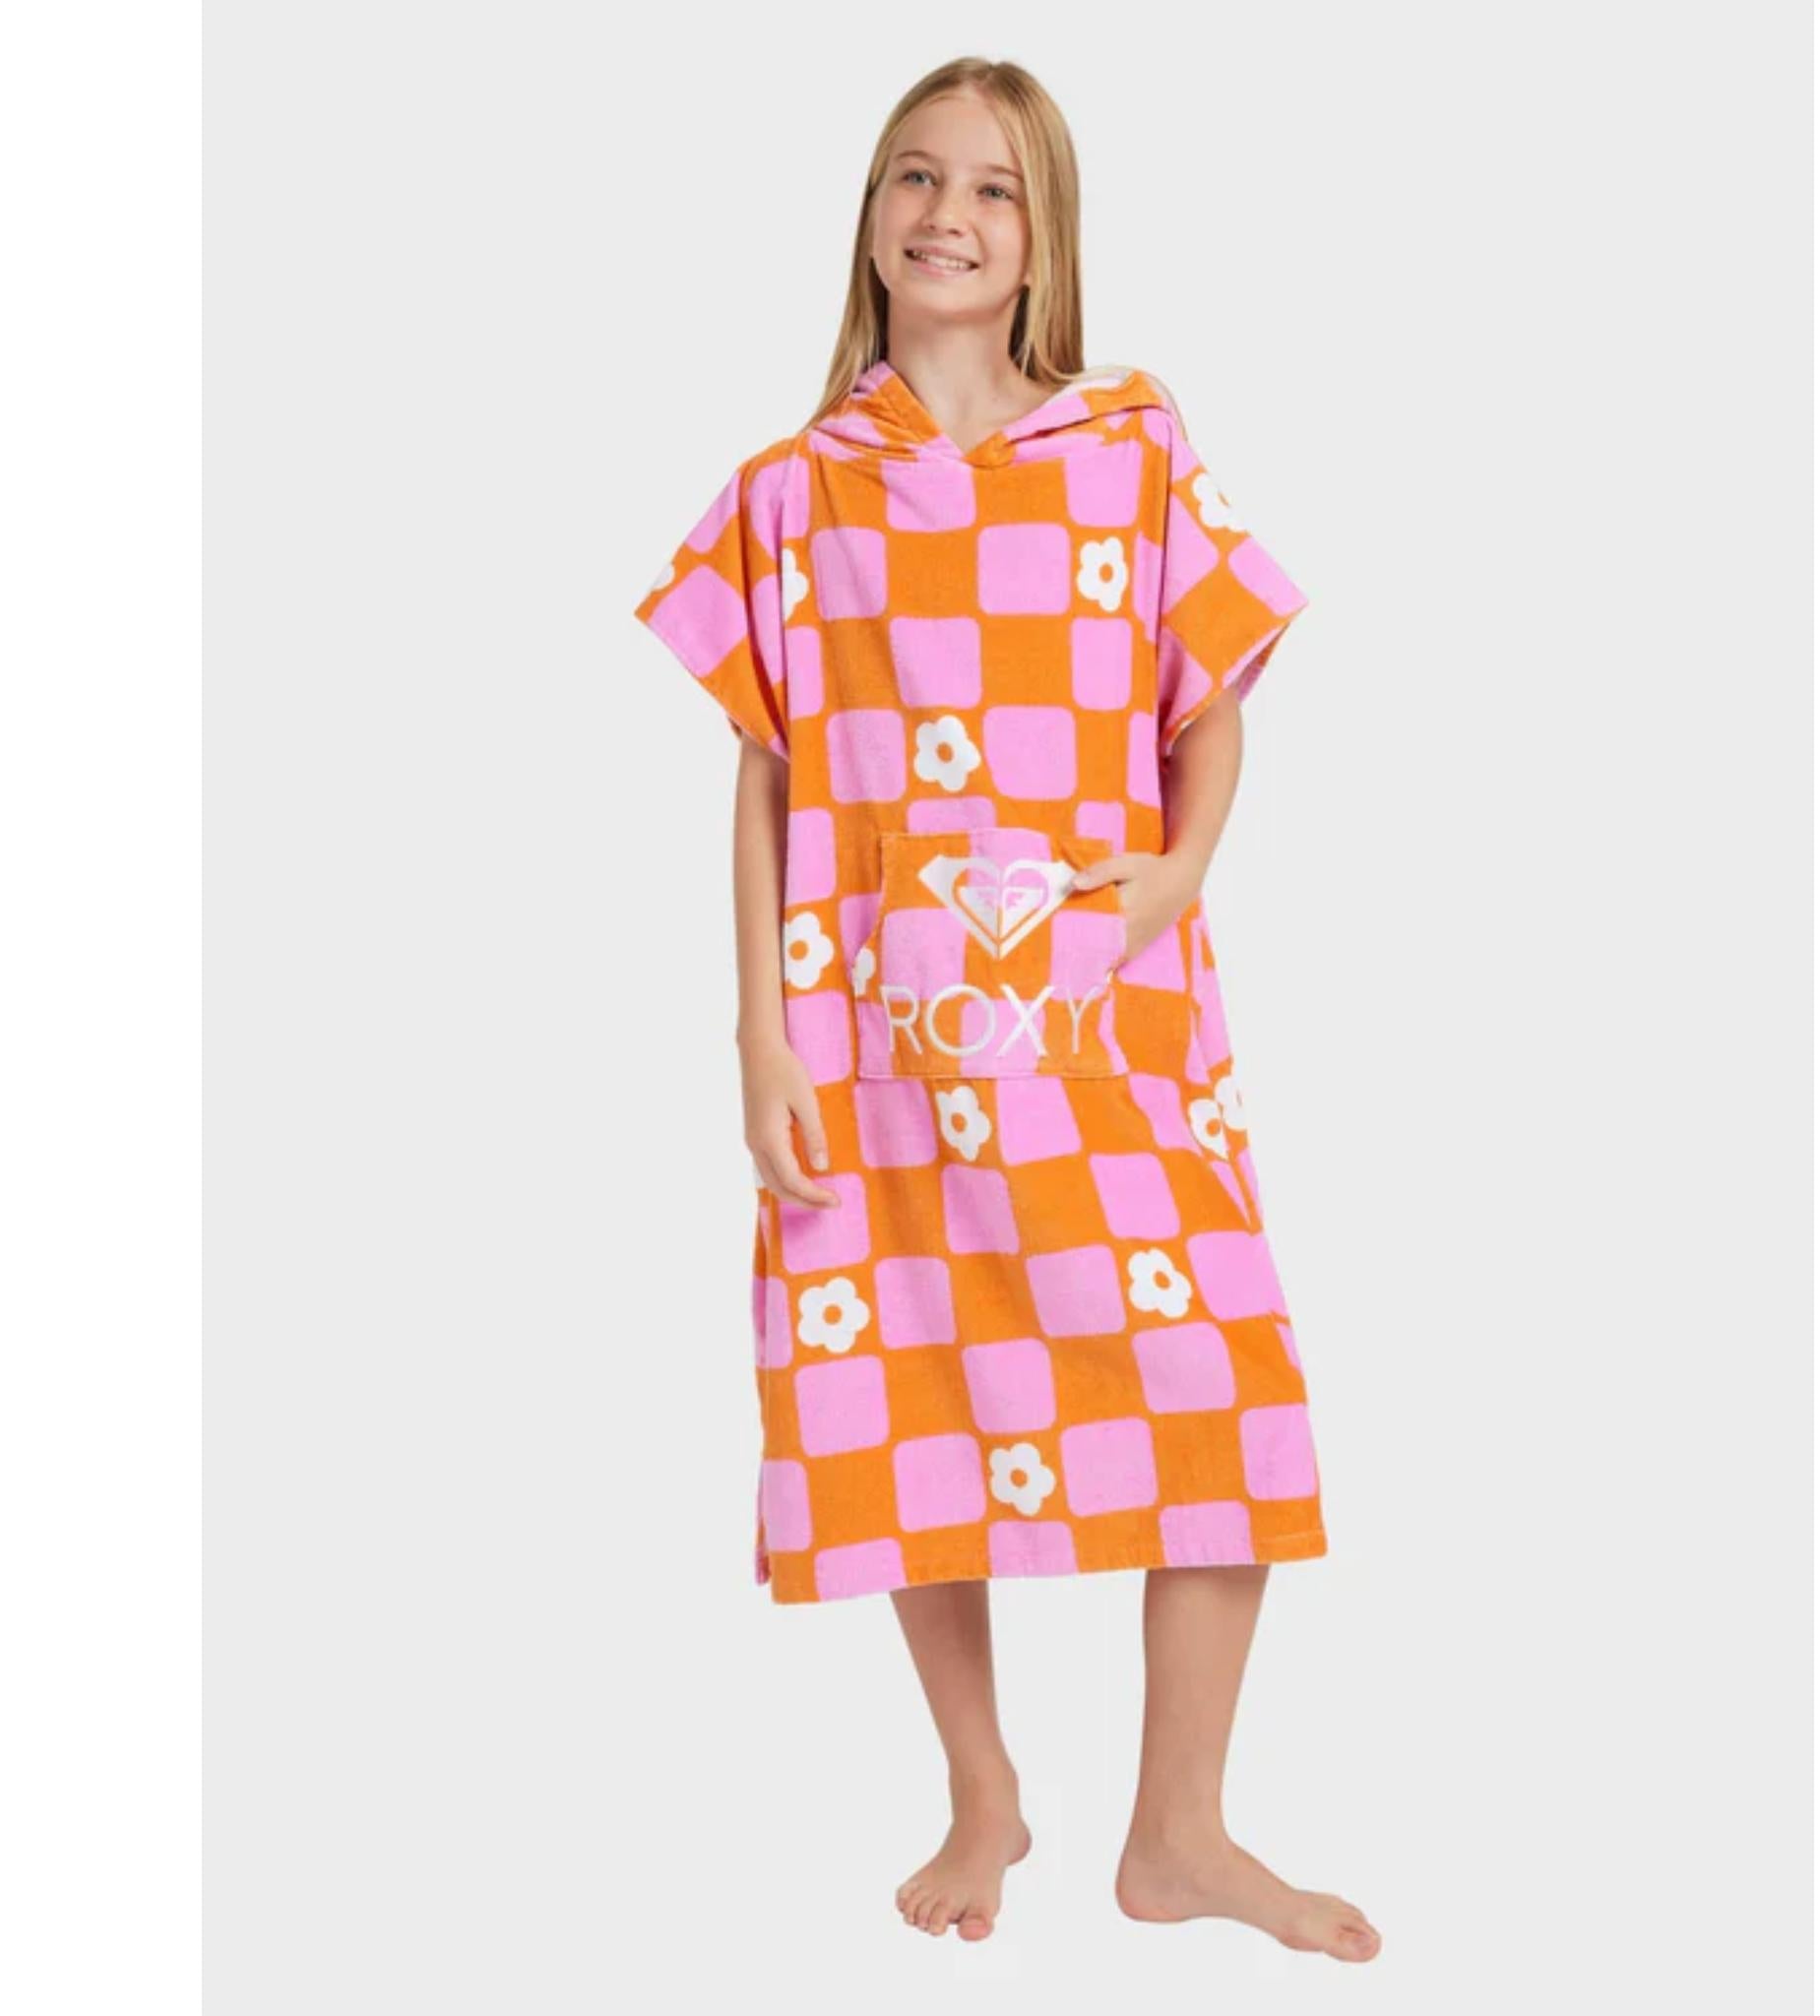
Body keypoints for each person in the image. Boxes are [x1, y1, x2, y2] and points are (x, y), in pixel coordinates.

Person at [631, 55, 1379, 1964]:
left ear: (1044, 236)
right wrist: (759, 1034)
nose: (946, 216)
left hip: (1103, 1014)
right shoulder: (795, 490)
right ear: (869, 214)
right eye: (914, 177)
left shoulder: (1130, 442)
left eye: (991, 188)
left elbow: (1211, 690)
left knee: (1221, 1393)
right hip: (872, 1029)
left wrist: (1181, 870)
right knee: (911, 1391)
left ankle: (1181, 1829)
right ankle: (983, 1791)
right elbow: (770, 772)